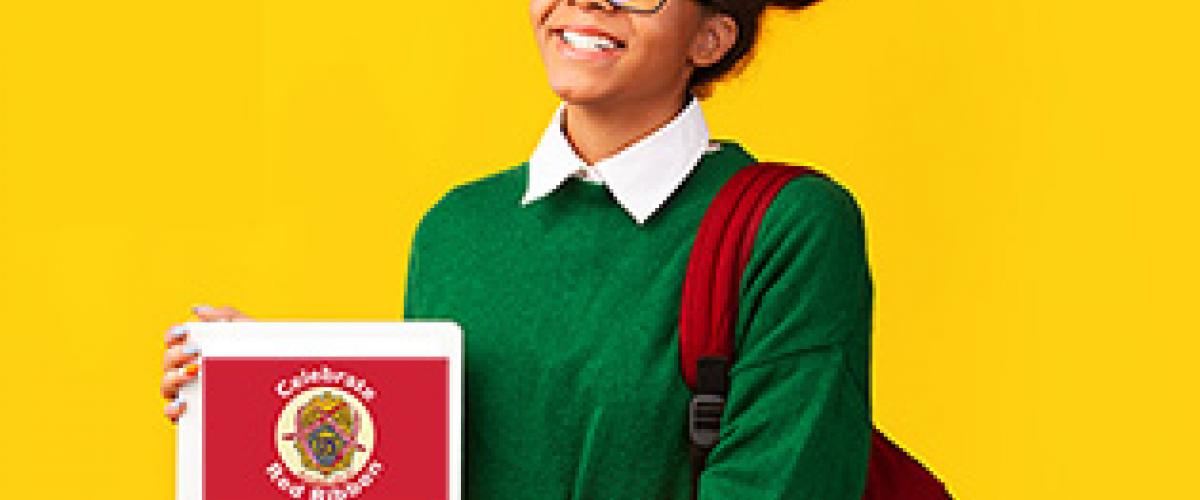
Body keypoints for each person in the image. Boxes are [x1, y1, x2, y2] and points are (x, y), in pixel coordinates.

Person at [161, 0, 873, 498]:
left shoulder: (791, 227)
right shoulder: (457, 229)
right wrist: (282, 381)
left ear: (709, 38)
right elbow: (418, 476)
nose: (586, 2)